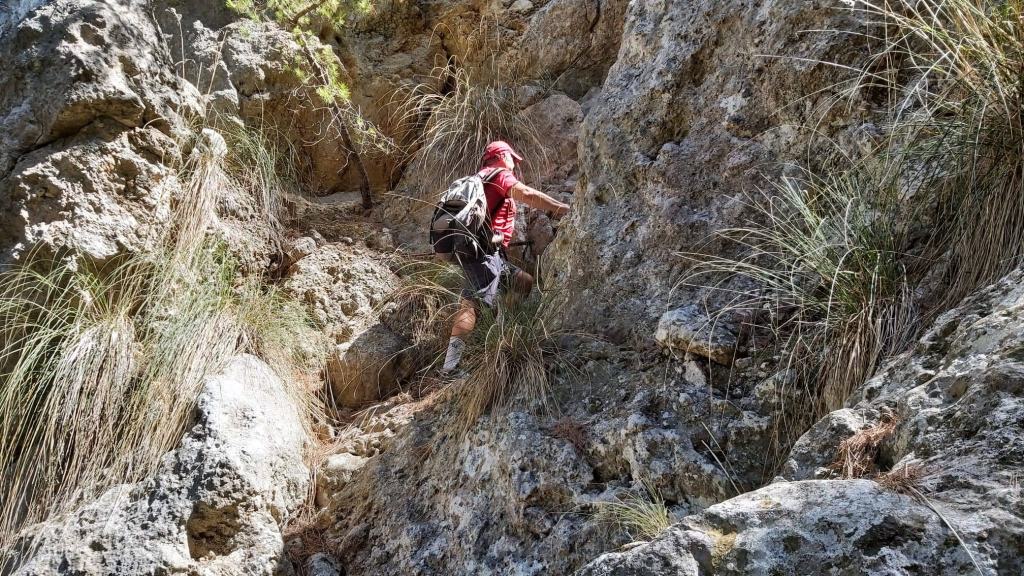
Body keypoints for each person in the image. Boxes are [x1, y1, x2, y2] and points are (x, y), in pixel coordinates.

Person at [440, 140, 570, 375]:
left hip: (485, 251)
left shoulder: (480, 179)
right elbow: (527, 193)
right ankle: (450, 368)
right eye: (513, 158)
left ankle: (504, 333)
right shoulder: (498, 174)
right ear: (501, 155)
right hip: (480, 252)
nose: (515, 164)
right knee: (472, 305)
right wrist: (562, 208)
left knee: (523, 281)